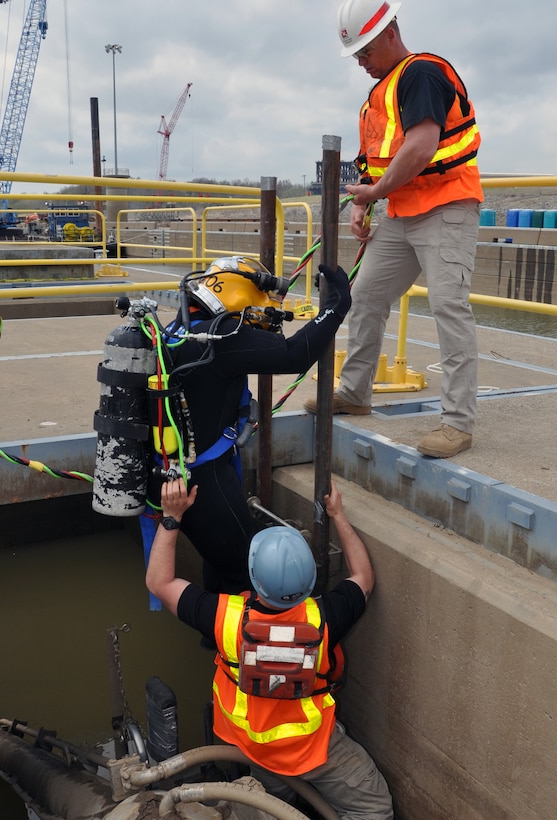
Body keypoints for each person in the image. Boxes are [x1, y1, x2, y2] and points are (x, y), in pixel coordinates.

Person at [146, 476, 394, 819]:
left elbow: (159, 582)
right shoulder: (325, 617)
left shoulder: (224, 619)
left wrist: (171, 518)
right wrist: (338, 515)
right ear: (310, 582)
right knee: (374, 809)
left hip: (253, 751)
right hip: (314, 750)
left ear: (253, 578)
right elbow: (364, 577)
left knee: (267, 803)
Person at [304, 0, 483, 459]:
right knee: (364, 296)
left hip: (446, 207)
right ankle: (355, 393)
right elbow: (374, 163)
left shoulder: (421, 73)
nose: (361, 62)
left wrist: (375, 192)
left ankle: (457, 424)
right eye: (356, 55)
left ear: (389, 33)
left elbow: (422, 147)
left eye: (364, 51)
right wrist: (363, 204)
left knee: (449, 307)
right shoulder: (377, 99)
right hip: (401, 214)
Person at [163, 256, 351, 594]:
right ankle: (236, 640)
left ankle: (213, 636)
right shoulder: (222, 337)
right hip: (204, 482)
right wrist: (336, 306)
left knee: (218, 556)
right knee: (242, 567)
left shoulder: (179, 329)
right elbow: (294, 353)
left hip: (172, 474)